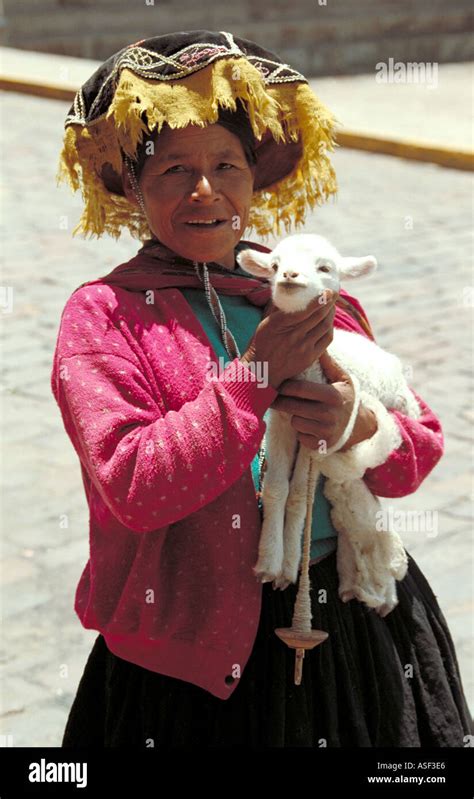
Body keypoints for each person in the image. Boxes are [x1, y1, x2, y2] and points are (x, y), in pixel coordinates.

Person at [52, 30, 472, 747]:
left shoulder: (312, 297)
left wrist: (354, 425)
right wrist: (255, 373)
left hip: (355, 623)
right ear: (131, 186)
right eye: (174, 169)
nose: (206, 189)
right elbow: (136, 484)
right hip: (197, 667)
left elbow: (415, 455)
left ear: (255, 178)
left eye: (227, 164)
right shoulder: (105, 316)